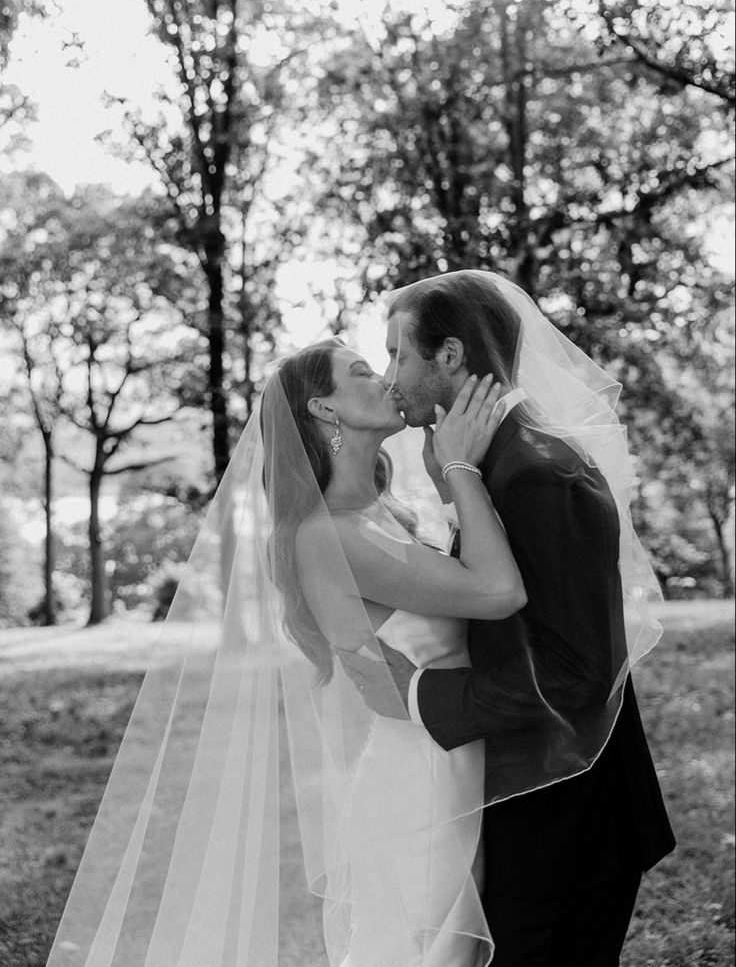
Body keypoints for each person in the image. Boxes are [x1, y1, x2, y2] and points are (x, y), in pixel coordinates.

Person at [45, 336, 528, 967]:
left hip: (453, 758)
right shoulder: (328, 535)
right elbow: (498, 592)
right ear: (325, 410)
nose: (387, 378)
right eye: (362, 371)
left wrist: (446, 482)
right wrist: (463, 468)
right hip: (419, 780)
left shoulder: (385, 513)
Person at [343, 270, 676, 967]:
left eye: (400, 353)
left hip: (569, 823)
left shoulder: (536, 472)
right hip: (537, 804)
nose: (390, 373)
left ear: (453, 357)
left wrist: (424, 695)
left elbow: (576, 669)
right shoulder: (496, 461)